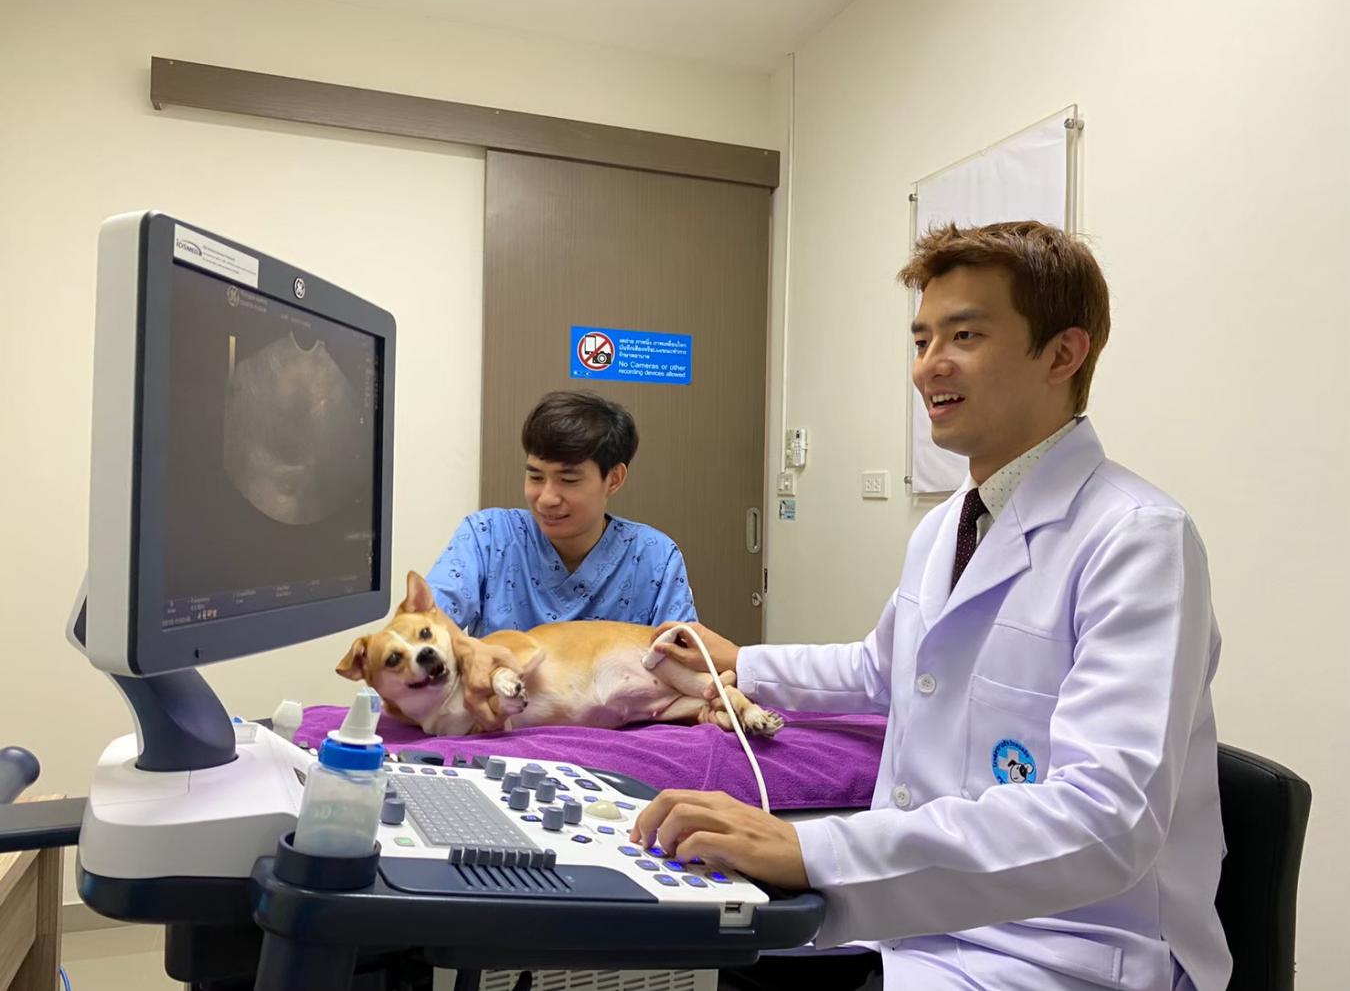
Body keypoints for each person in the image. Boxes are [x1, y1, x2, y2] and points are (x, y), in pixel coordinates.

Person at [634, 222, 1229, 991]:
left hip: (1072, 946)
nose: (928, 366)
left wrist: (814, 850)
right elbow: (886, 668)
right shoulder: (951, 523)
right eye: (922, 340)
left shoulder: (1138, 539)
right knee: (723, 950)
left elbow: (1105, 822)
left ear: (1062, 355)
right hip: (927, 922)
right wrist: (742, 665)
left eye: (965, 335)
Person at [427, 390, 697, 728]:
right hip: (504, 731)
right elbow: (425, 623)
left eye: (568, 480)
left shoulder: (655, 557)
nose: (546, 498)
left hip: (621, 737)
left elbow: (687, 662)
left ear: (613, 479)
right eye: (535, 477)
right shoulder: (487, 536)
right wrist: (468, 652)